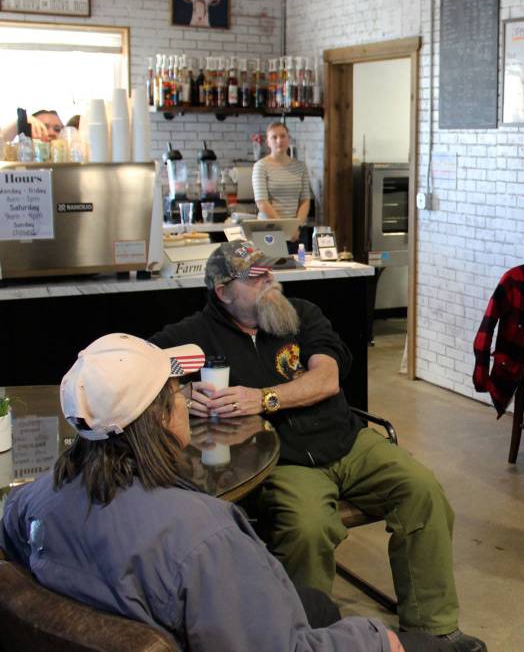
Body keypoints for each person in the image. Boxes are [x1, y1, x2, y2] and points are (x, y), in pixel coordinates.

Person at [148, 241, 487, 652]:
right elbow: (142, 374)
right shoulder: (194, 336)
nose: (268, 279)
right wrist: (182, 395)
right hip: (282, 460)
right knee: (308, 527)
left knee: (423, 491)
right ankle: (304, 638)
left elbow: (326, 379)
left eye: (268, 271)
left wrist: (262, 398)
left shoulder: (300, 316)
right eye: (254, 277)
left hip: (347, 439)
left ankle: (434, 628)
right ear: (222, 291)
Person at [0, 332, 415, 651]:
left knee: (315, 604)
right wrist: (375, 638)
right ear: (160, 417)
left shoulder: (30, 502)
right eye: (180, 391)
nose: (187, 399)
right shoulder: (204, 537)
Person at [253, 120, 311, 241]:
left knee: (300, 260)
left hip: (296, 233)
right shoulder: (260, 166)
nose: (279, 140)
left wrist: (297, 226)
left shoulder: (301, 166)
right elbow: (262, 202)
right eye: (274, 137)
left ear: (288, 139)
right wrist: (285, 229)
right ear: (268, 142)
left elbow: (305, 200)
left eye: (283, 136)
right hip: (269, 232)